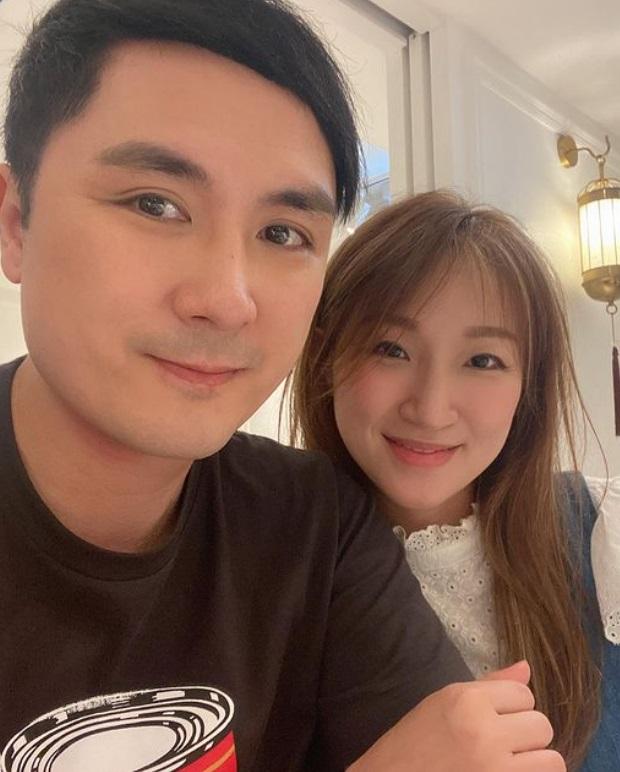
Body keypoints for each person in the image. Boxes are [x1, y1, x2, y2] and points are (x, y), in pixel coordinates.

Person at [0, 1, 565, 770]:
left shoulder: (316, 525)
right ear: (16, 221)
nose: (227, 299)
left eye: (282, 234)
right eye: (155, 204)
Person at [291, 189, 620, 770]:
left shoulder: (601, 532)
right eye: (390, 349)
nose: (431, 408)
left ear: (528, 387)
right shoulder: (261, 564)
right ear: (326, 358)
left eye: (483, 361)